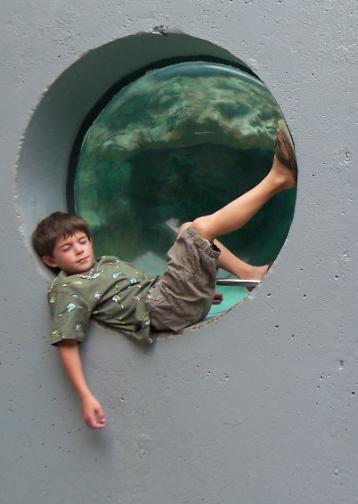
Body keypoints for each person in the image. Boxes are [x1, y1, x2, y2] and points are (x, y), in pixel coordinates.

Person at [32, 121, 297, 430]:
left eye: (82, 241)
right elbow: (66, 343)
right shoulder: (68, 288)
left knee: (187, 229)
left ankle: (249, 272)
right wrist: (85, 397)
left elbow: (139, 291)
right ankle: (278, 178)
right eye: (67, 248)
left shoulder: (102, 265)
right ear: (50, 260)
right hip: (161, 310)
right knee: (200, 230)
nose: (79, 250)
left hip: (166, 299)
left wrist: (196, 290)